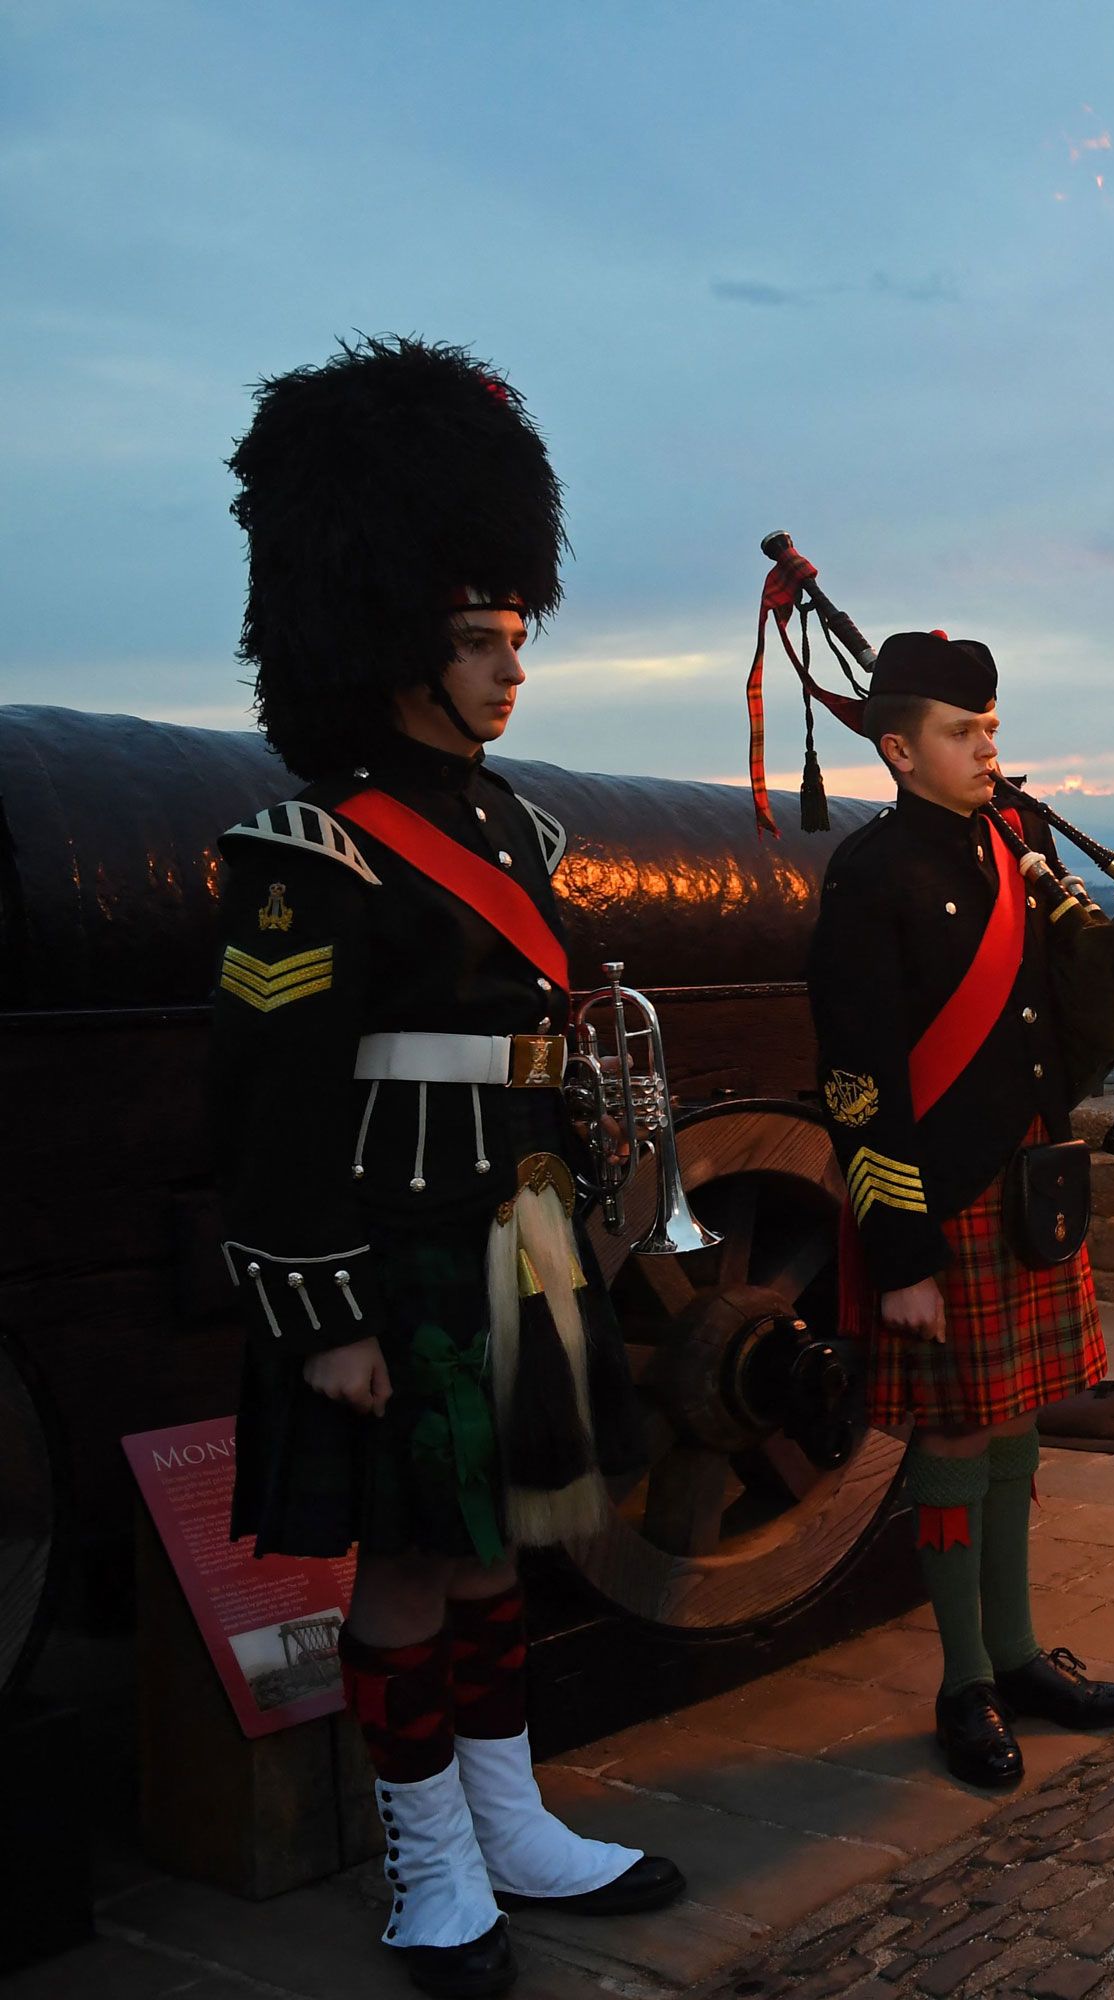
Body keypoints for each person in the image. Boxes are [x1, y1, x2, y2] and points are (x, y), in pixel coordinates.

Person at [212, 337, 682, 2000]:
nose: (509, 669)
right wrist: (319, 1314)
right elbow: (272, 1106)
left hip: (519, 1229)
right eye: (480, 640)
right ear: (395, 639)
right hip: (397, 1250)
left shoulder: (523, 836)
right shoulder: (306, 850)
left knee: (499, 1547)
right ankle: (429, 1866)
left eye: (514, 637)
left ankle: (516, 1821)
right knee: (408, 1562)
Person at [805, 630, 1114, 1790]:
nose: (989, 747)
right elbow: (857, 1079)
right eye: (962, 732)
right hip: (940, 1189)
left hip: (1028, 1174)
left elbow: (1081, 971)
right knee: (958, 1430)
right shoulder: (872, 876)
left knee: (1018, 1420)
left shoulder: (1016, 838)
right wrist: (900, 1249)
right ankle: (964, 1677)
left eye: (992, 727)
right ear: (897, 748)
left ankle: (1022, 1652)